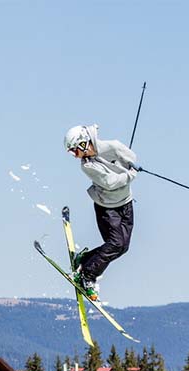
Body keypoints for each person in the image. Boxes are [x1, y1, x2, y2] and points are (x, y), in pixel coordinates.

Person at [64, 124, 138, 301]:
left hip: (126, 202)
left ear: (83, 144)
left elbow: (130, 156)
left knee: (123, 247)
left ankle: (86, 260)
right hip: (106, 207)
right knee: (115, 243)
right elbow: (111, 182)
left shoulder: (110, 146)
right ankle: (87, 276)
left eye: (74, 151)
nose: (75, 156)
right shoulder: (87, 165)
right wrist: (130, 175)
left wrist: (128, 162)